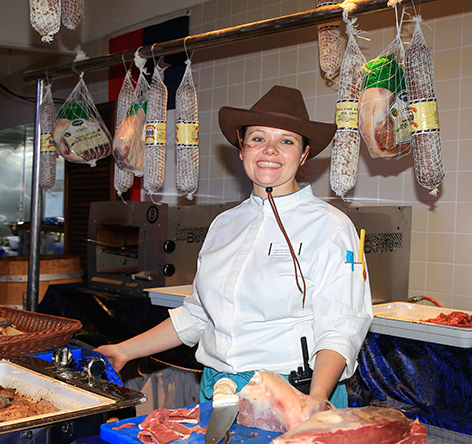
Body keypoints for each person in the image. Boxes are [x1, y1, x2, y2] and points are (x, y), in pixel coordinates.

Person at [98, 85, 373, 408]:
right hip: (219, 390)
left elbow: (340, 327)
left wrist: (315, 399)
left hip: (291, 394)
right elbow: (200, 315)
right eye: (258, 138)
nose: (270, 150)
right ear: (242, 149)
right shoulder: (223, 224)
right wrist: (124, 351)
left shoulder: (330, 226)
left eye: (286, 141)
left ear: (303, 155)